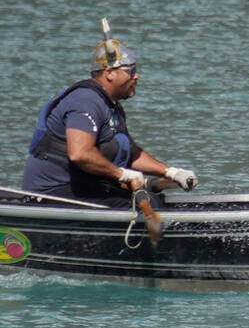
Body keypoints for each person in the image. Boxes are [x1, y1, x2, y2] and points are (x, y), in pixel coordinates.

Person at [22, 25, 197, 203]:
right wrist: (121, 174)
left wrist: (171, 172)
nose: (137, 77)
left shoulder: (112, 105)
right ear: (110, 74)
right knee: (135, 206)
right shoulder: (86, 101)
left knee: (154, 199)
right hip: (52, 192)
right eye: (131, 71)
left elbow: (131, 153)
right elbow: (80, 154)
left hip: (86, 187)